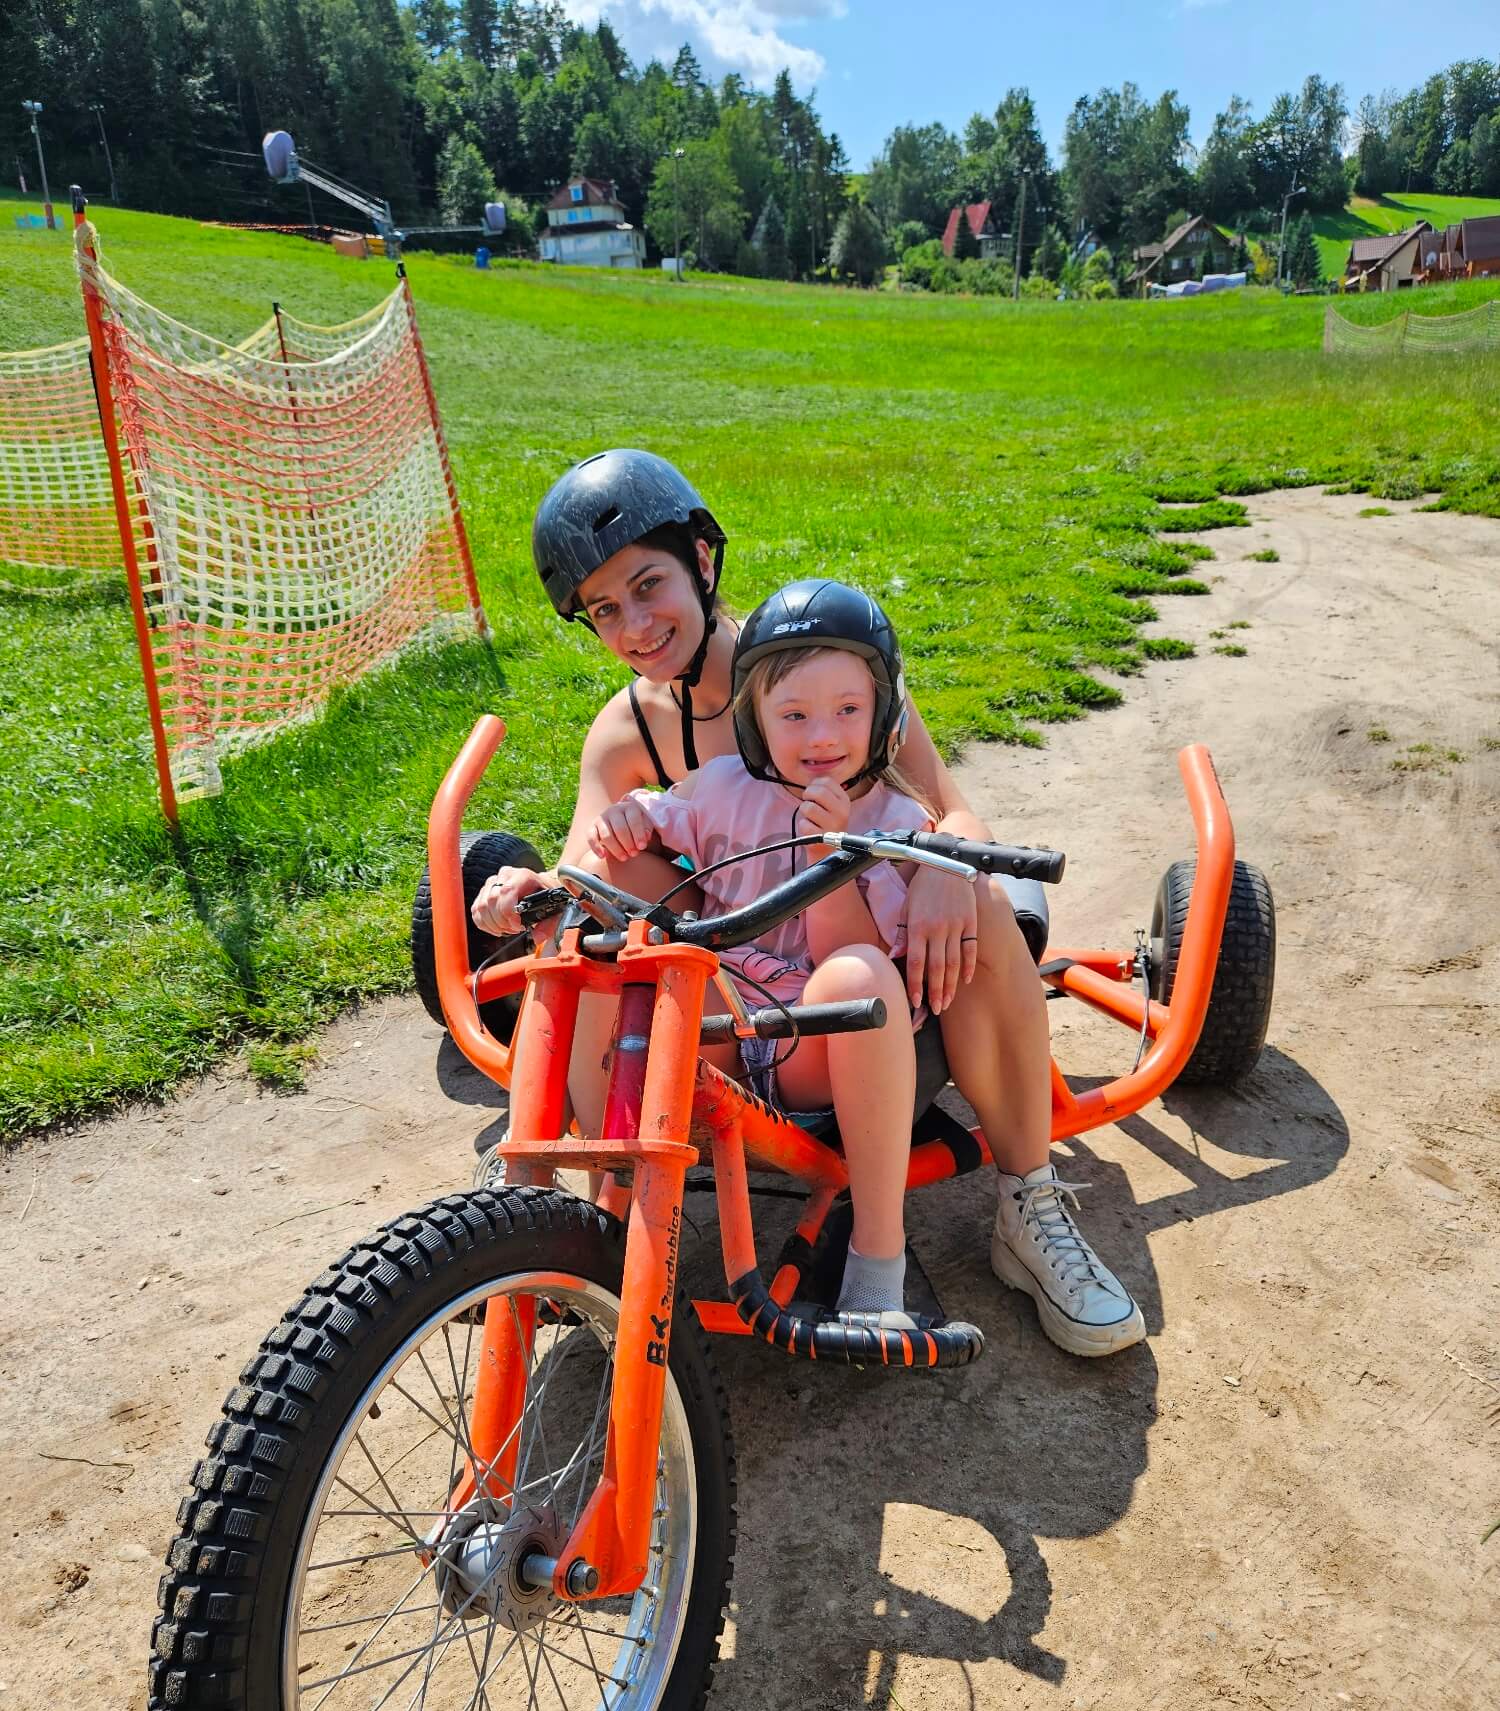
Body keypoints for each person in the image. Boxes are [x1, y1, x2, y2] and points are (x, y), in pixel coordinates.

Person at [473, 451, 1144, 1357]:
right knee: (595, 912)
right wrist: (532, 892)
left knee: (980, 897)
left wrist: (943, 866)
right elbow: (581, 880)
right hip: (739, 1007)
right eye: (604, 609)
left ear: (701, 561)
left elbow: (950, 811)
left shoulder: (821, 670)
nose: (635, 625)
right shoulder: (626, 732)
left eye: (648, 585)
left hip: (875, 1001)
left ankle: (1028, 1201)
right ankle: (577, 1209)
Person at [582, 580, 944, 1327]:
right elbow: (650, 819)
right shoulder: (724, 787)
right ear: (756, 722)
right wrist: (624, 824)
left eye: (848, 710)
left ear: (883, 715)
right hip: (718, 1022)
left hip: (809, 1045)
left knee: (861, 975)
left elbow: (855, 963)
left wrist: (828, 853)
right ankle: (593, 1220)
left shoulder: (894, 821)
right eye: (794, 715)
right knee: (603, 940)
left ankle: (878, 1259)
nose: (821, 737)